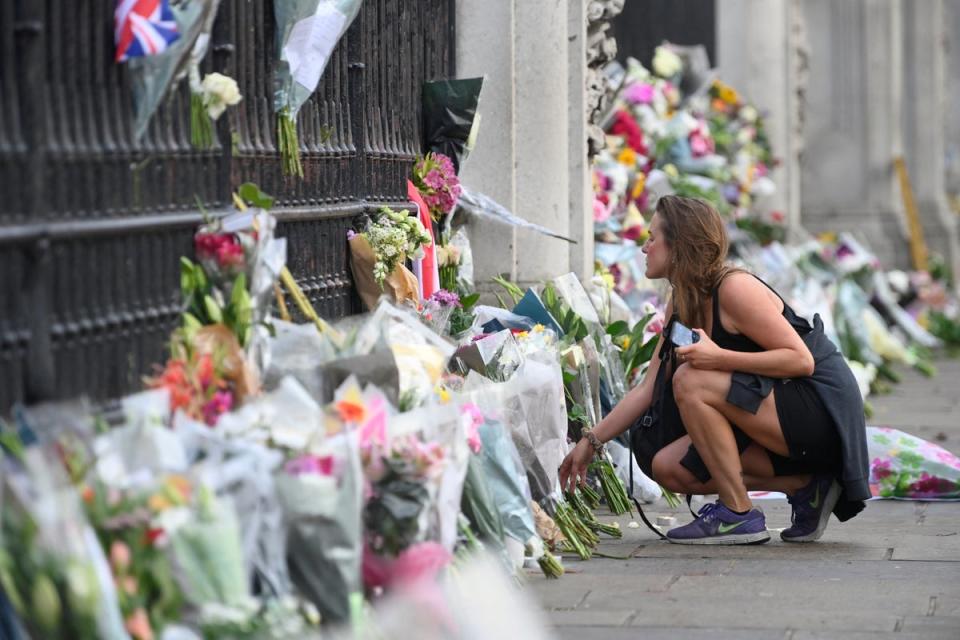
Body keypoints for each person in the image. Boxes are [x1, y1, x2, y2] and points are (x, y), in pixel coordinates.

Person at [559, 195, 870, 545]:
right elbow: (646, 390)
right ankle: (807, 486)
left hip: (819, 408)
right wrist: (591, 442)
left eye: (651, 237)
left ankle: (738, 513)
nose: (644, 248)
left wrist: (719, 358)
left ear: (679, 245)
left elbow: (800, 360)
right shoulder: (683, 300)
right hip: (774, 410)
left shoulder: (734, 288)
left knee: (692, 380)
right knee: (667, 466)